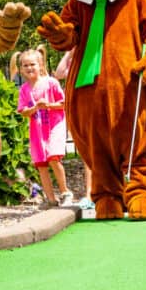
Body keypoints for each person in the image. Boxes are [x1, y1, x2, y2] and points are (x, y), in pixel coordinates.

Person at [11, 45, 73, 208]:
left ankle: (65, 192)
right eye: (25, 65)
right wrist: (34, 108)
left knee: (53, 157)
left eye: (32, 64)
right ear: (21, 69)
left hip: (54, 126)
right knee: (41, 164)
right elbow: (23, 111)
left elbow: (65, 103)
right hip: (37, 131)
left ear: (40, 65)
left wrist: (49, 105)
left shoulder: (51, 83)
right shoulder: (24, 89)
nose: (29, 68)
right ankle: (51, 199)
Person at [53, 49, 93, 209]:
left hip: (93, 107)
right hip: (78, 108)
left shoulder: (91, 59)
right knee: (87, 154)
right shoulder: (73, 64)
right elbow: (59, 73)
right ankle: (90, 194)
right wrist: (70, 52)